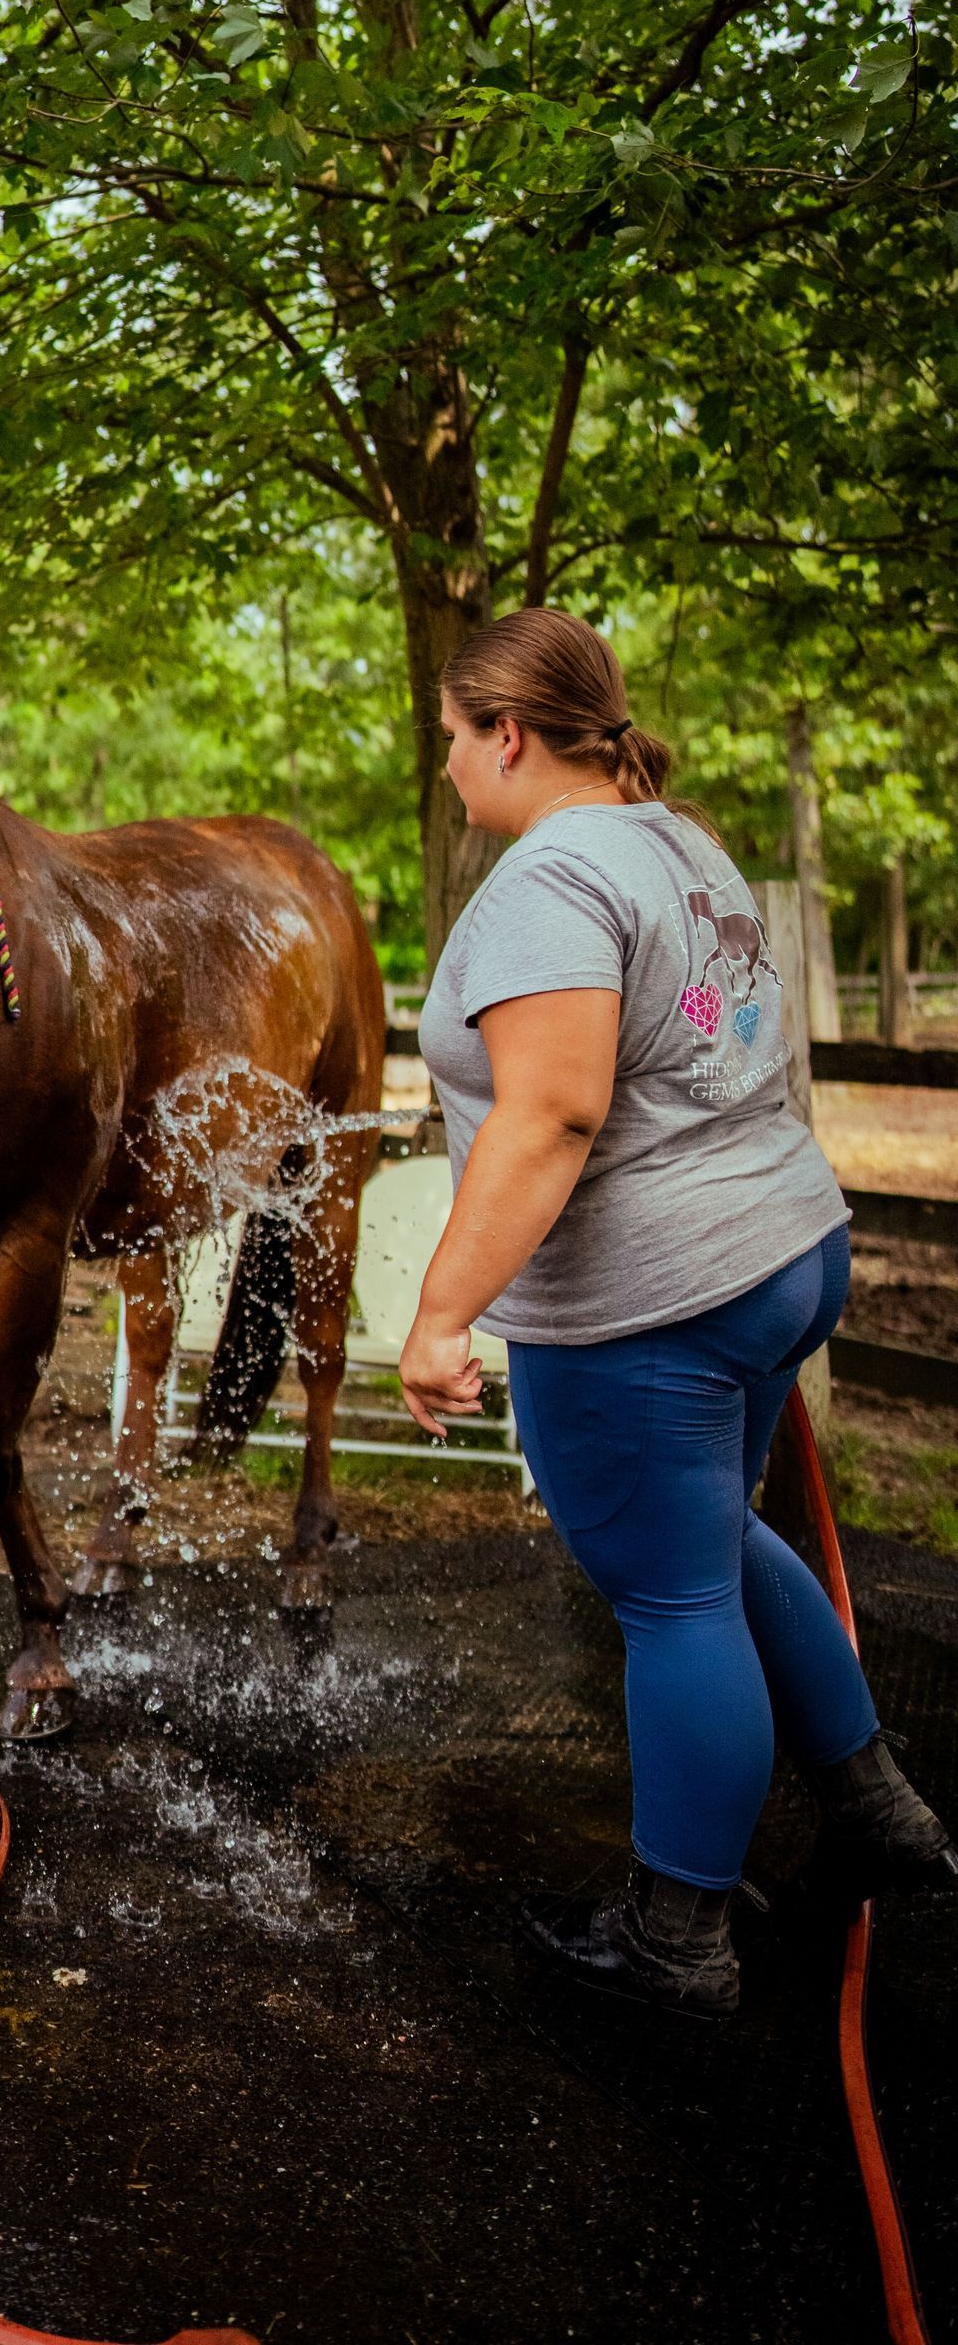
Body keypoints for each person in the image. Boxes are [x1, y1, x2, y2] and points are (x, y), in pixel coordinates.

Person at [402, 608, 954, 2022]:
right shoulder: (683, 845)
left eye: (456, 738)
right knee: (717, 1542)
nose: (451, 767)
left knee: (675, 1592)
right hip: (784, 1250)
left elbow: (558, 1110)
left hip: (654, 1300)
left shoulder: (550, 878)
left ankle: (677, 1935)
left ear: (509, 733)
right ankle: (876, 1806)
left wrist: (443, 1310)